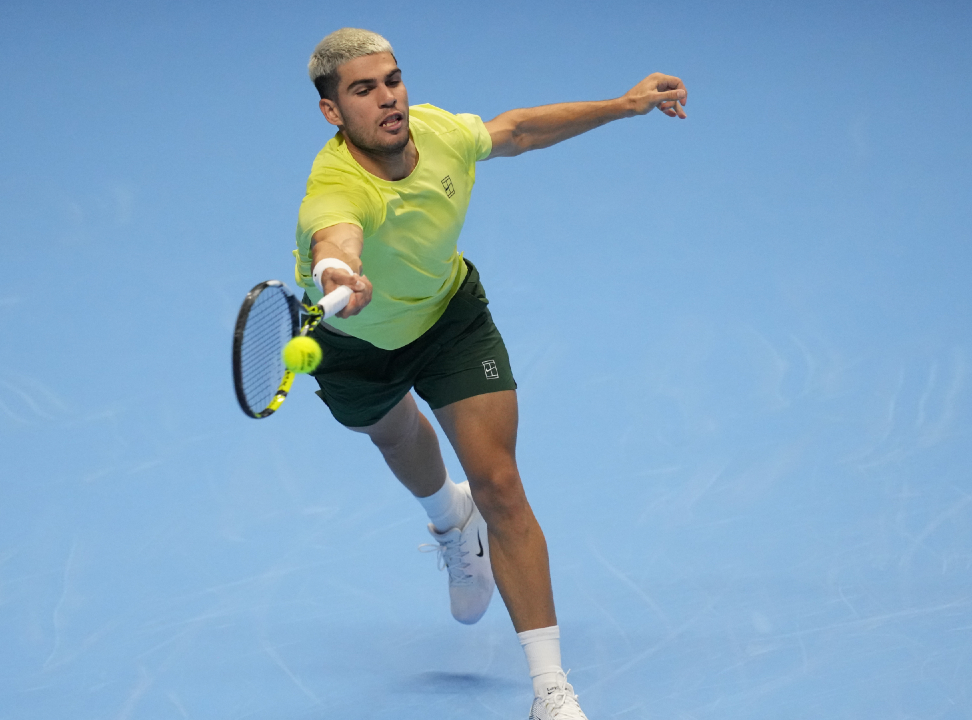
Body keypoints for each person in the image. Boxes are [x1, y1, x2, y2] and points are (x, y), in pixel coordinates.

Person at [294, 27, 686, 719]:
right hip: (355, 344)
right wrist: (337, 272)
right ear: (333, 111)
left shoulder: (439, 133)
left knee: (500, 485)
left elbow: (518, 130)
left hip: (450, 318)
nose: (388, 99)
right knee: (394, 436)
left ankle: (550, 689)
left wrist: (625, 105)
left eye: (392, 80)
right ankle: (450, 521)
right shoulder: (333, 188)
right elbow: (335, 236)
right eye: (363, 90)